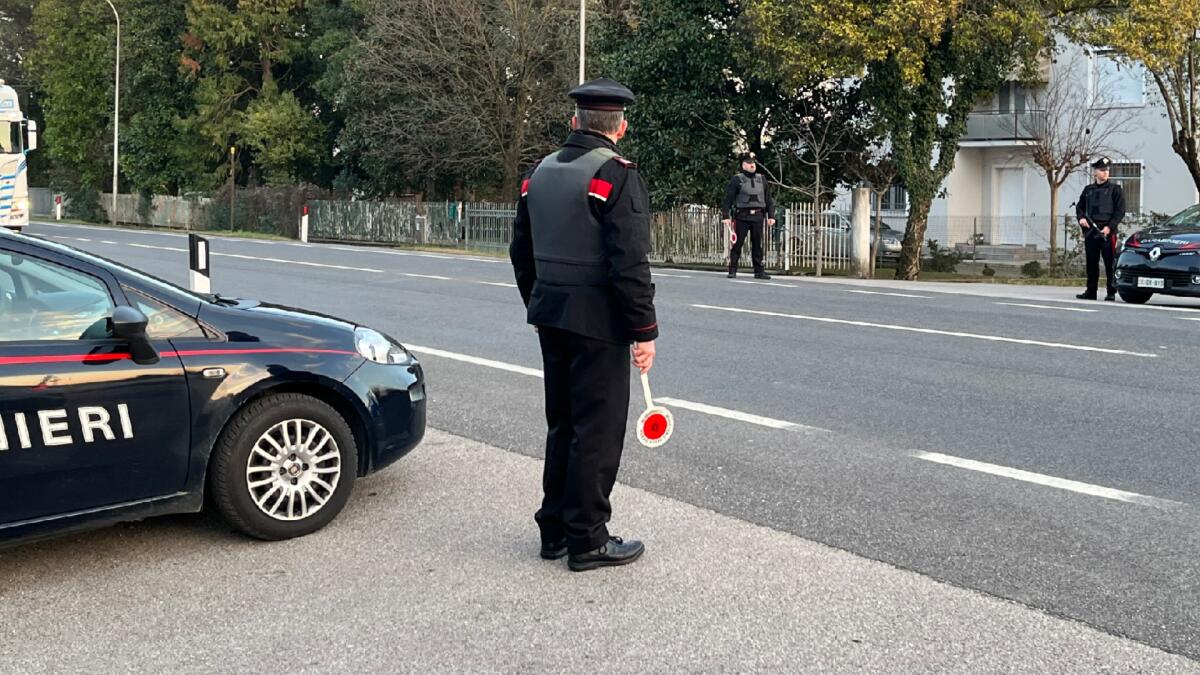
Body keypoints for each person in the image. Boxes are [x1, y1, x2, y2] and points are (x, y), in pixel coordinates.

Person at [509, 77, 659, 572]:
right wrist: (644, 332)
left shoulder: (539, 173)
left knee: (564, 425)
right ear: (621, 125)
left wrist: (537, 303)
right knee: (597, 431)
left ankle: (554, 531)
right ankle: (589, 540)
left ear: (574, 121)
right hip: (599, 323)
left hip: (551, 315)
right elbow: (629, 263)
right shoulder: (615, 175)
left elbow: (521, 252)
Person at [1075, 157, 1126, 301]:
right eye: (1102, 170)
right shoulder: (1088, 190)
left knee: (1110, 263)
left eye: (1107, 171)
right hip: (1091, 232)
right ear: (1095, 172)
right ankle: (1091, 291)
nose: (1105, 173)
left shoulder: (1115, 190)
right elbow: (1080, 207)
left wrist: (1110, 227)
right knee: (1091, 263)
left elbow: (1120, 211)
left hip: (1107, 233)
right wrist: (1081, 219)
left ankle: (1111, 292)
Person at [721, 152, 776, 279]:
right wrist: (726, 216)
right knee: (738, 243)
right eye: (749, 163)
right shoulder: (737, 179)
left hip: (758, 216)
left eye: (753, 163)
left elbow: (768, 199)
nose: (752, 166)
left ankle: (759, 271)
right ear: (743, 165)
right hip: (742, 216)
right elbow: (728, 198)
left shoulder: (762, 179)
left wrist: (771, 216)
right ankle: (732, 269)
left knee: (757, 244)